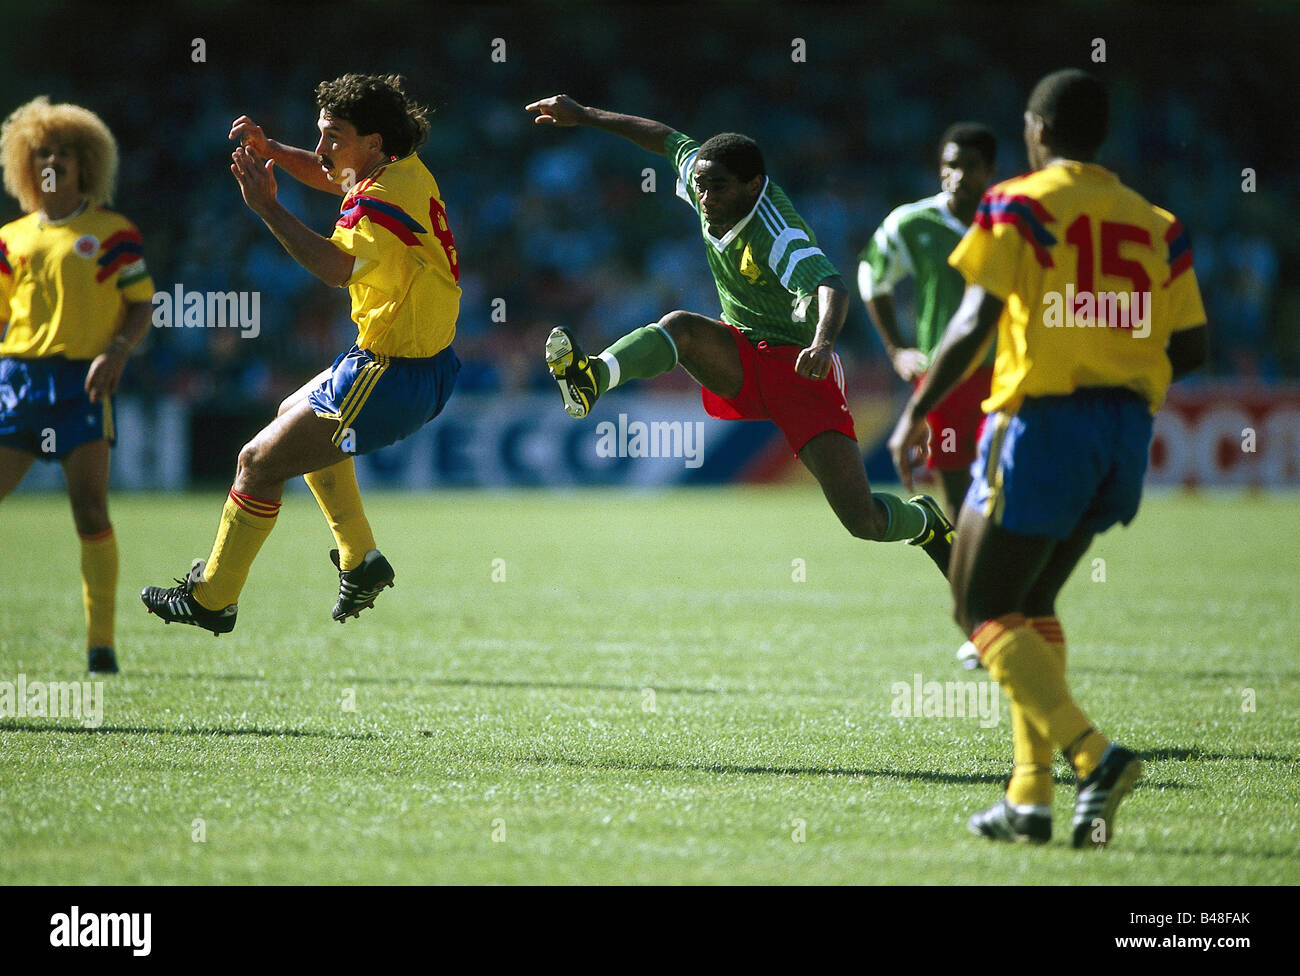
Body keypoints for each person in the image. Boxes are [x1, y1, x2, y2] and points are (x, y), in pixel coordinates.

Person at [888, 69, 1209, 848]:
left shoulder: (1018, 203)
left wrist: (915, 412)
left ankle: (1095, 757)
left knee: (979, 606)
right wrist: (1112, 348)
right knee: (1030, 607)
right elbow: (1194, 347)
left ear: (1036, 129)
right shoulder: (1157, 223)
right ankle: (1029, 800)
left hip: (1042, 426)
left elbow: (972, 319)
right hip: (1124, 434)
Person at [524, 94, 953, 573]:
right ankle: (593, 378)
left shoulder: (777, 232)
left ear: (753, 186)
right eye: (701, 186)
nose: (705, 198)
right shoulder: (707, 178)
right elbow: (665, 139)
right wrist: (585, 116)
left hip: (800, 369)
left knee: (863, 520)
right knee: (680, 327)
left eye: (718, 188)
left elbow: (831, 284)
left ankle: (924, 521)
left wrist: (822, 343)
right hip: (744, 349)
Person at [142, 74, 461, 633]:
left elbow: (336, 270)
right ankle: (361, 560)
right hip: (408, 363)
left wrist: (268, 207)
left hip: (393, 374)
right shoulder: (399, 171)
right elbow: (331, 173)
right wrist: (274, 152)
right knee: (295, 412)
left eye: (333, 136)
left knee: (256, 463)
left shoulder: (381, 202)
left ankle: (213, 599)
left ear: (374, 144)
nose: (321, 149)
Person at [0, 97, 154, 674]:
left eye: (64, 152)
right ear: (26, 161)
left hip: (82, 383)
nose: (53, 160)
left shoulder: (114, 234)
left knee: (90, 511)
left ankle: (101, 644)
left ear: (84, 162)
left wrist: (118, 350)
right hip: (16, 382)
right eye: (42, 151)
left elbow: (141, 305)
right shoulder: (10, 237)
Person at [861, 123, 998, 522]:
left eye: (970, 166)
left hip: (1007, 373)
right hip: (945, 379)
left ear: (990, 170)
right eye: (949, 165)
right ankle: (970, 581)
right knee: (956, 497)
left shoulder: (1011, 223)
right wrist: (896, 349)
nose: (957, 175)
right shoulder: (912, 223)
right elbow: (872, 277)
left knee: (1008, 490)